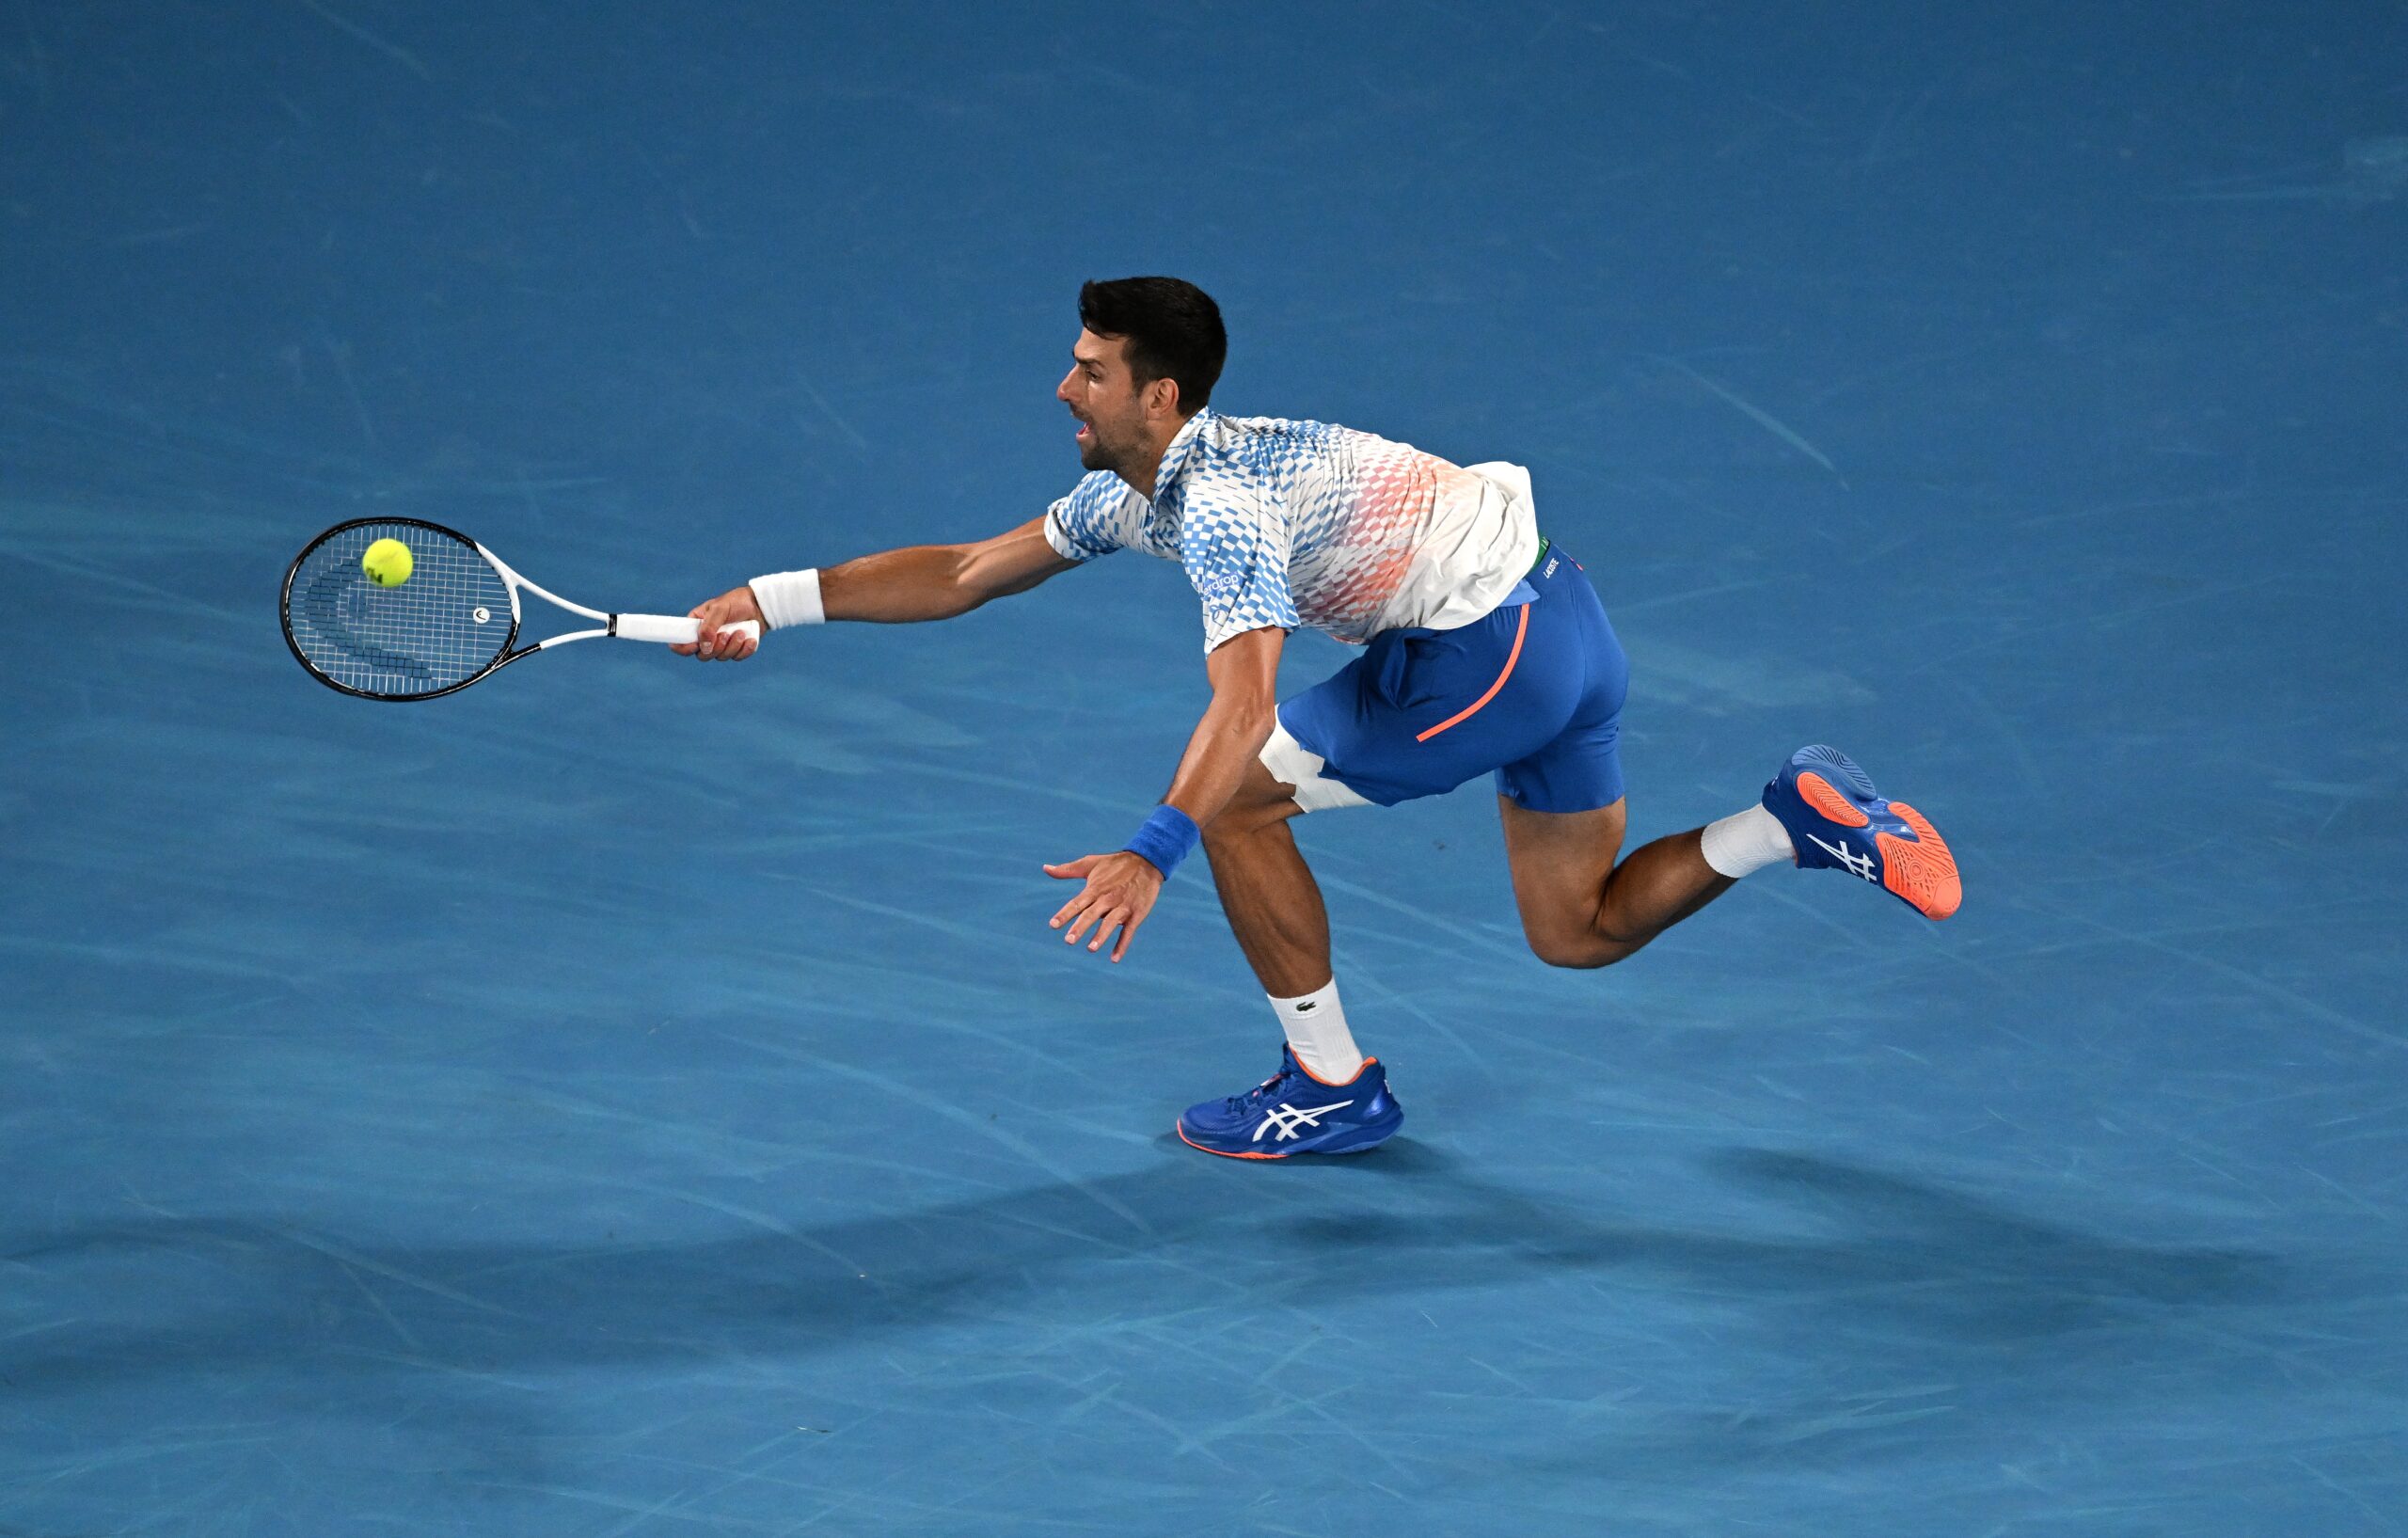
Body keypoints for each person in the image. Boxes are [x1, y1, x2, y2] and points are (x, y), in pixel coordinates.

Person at [676, 277, 1960, 1160]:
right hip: (1563, 624)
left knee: (1238, 805)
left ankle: (1332, 1087)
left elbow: (1242, 703)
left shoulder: (1225, 510)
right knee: (1577, 931)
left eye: (1090, 372)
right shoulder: (1147, 490)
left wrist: (1157, 845)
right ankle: (1791, 824)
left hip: (1483, 657)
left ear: (1159, 397)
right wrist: (769, 600)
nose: (1064, 389)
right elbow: (964, 571)